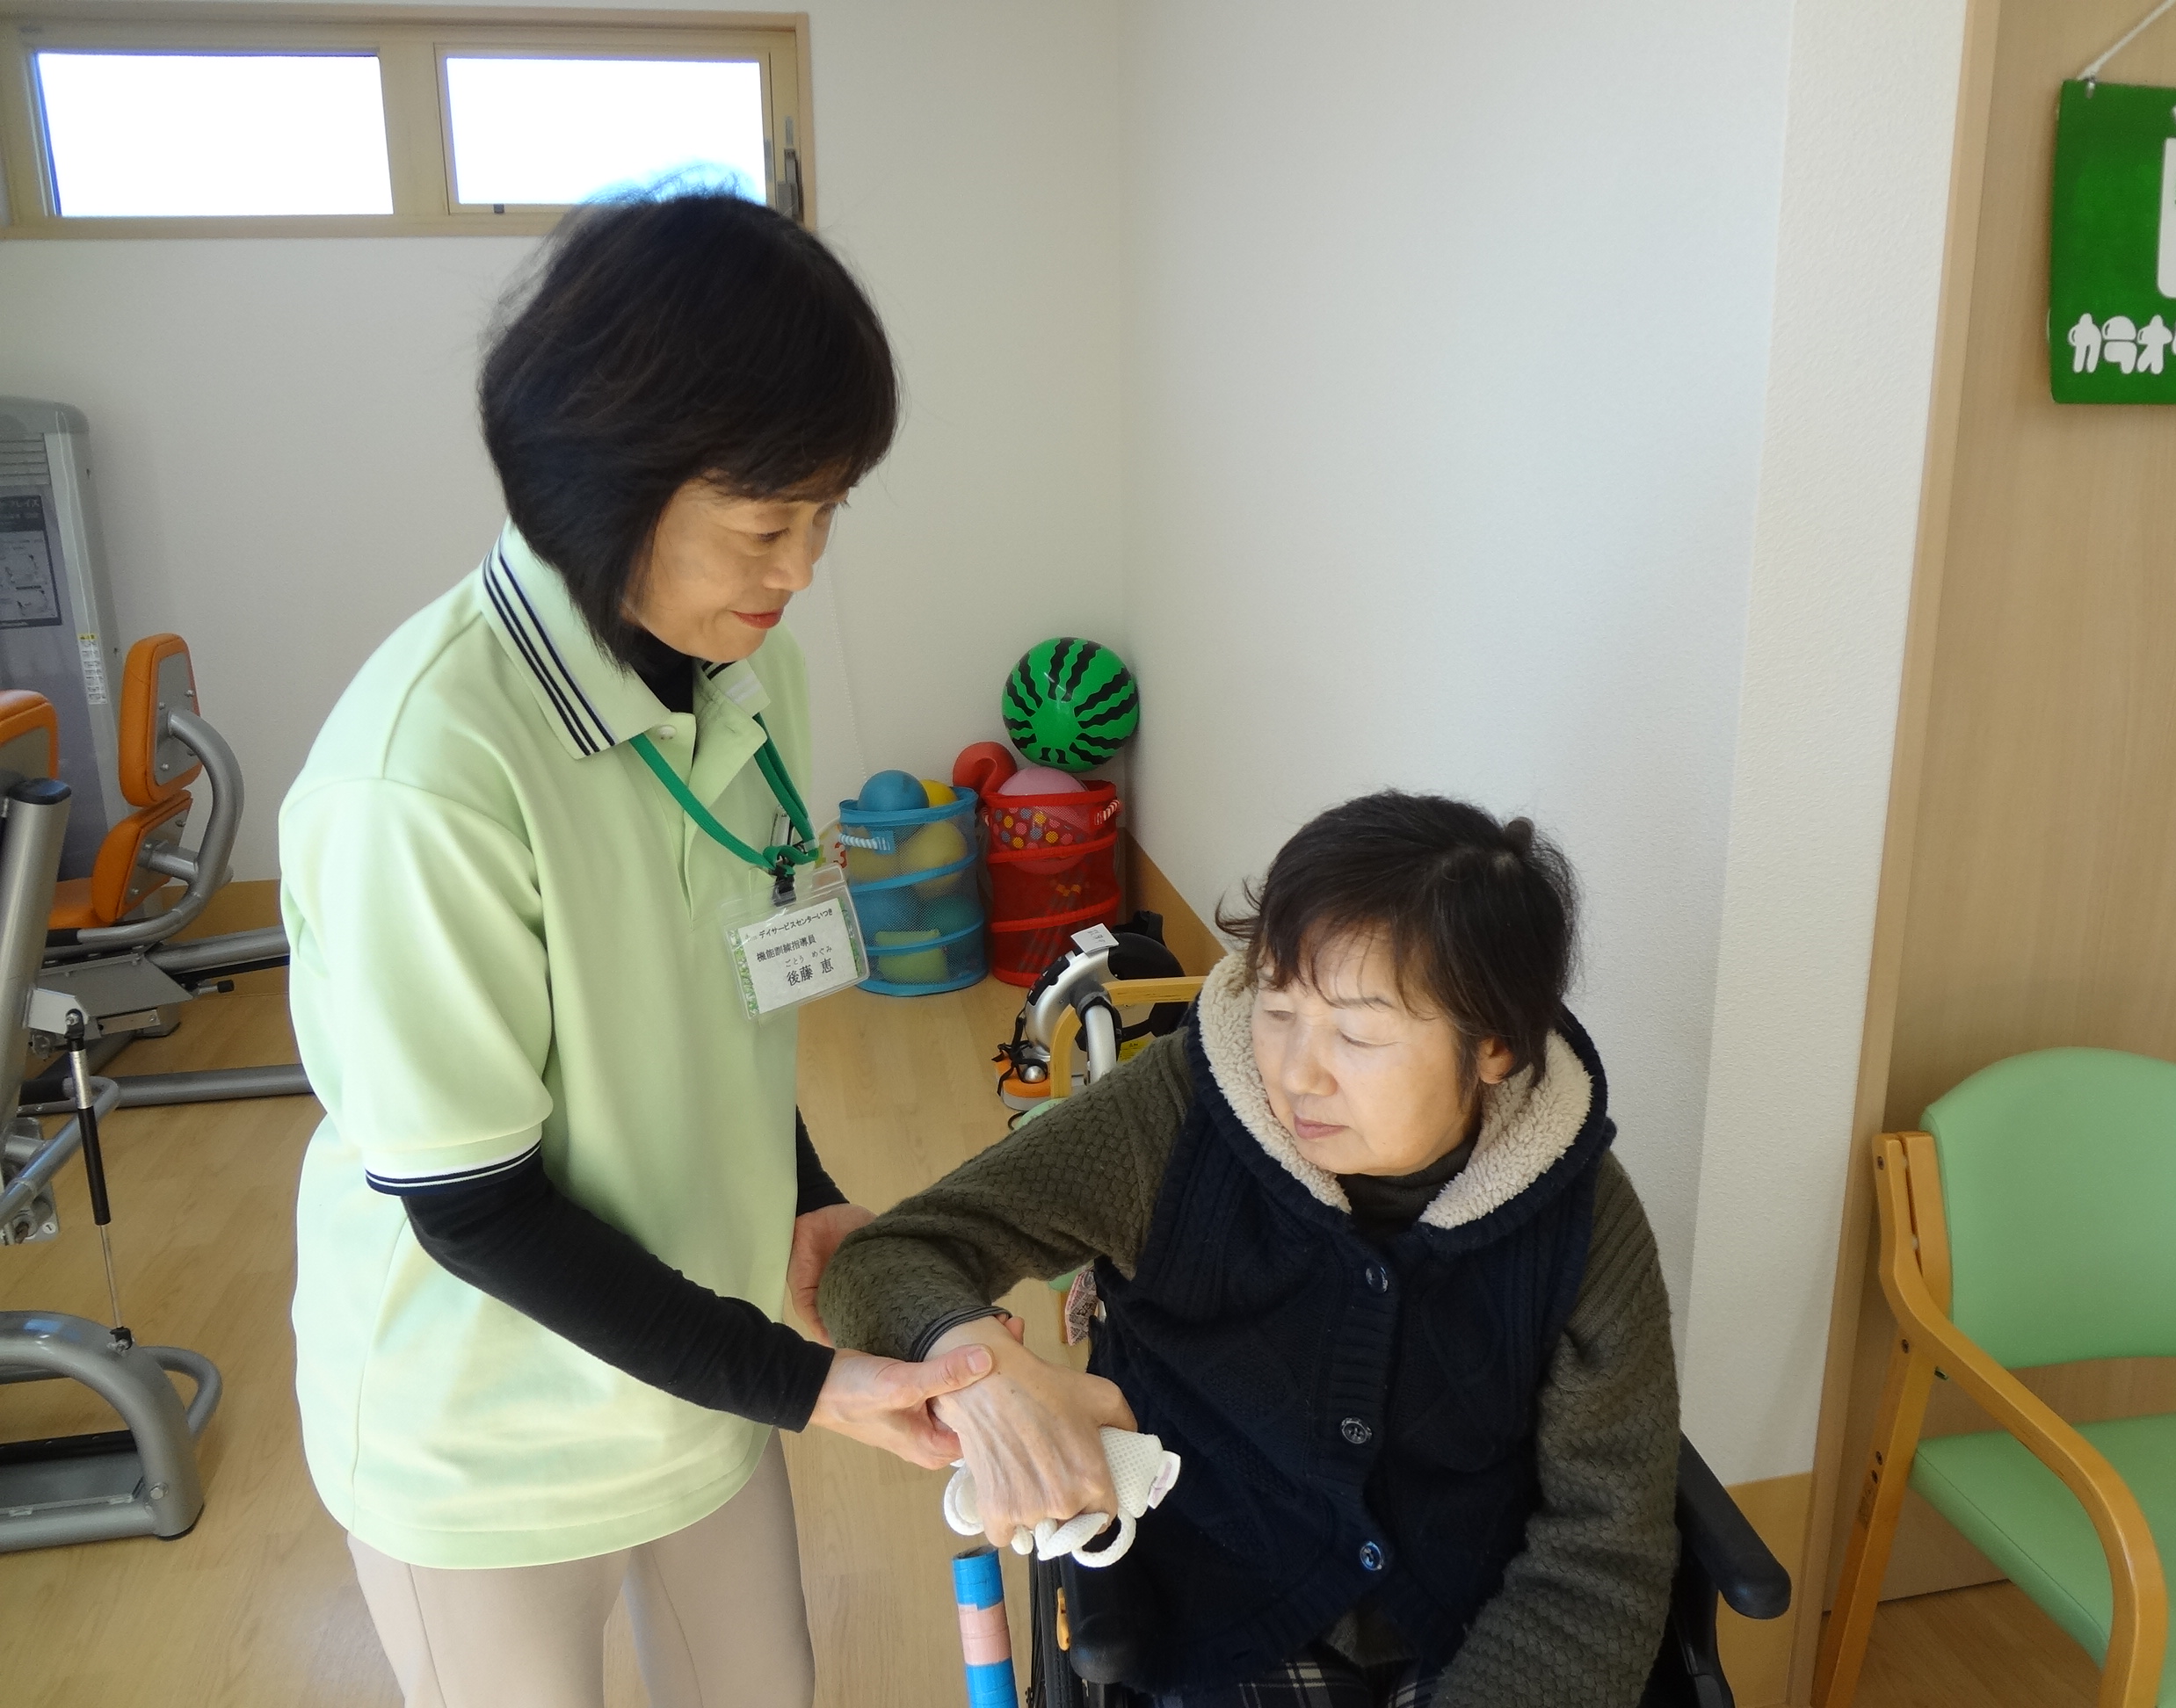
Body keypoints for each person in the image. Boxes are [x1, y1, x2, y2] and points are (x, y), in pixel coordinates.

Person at [281, 190, 993, 1708]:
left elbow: (722, 994)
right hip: (484, 1435)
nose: (802, 568)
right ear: (608, 480)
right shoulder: (424, 775)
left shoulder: (749, 673)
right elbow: (472, 1206)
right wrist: (809, 1382)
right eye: (767, 524)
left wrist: (800, 1195)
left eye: (827, 515)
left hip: (694, 1367)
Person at [820, 792, 1680, 1708]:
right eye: (1277, 1005)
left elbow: (1601, 1552)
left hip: (1483, 1625)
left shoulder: (1581, 1215)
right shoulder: (1179, 1118)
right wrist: (985, 1375)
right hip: (1211, 1611)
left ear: (1495, 1046)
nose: (1296, 1073)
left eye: (1358, 1033)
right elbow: (891, 1257)